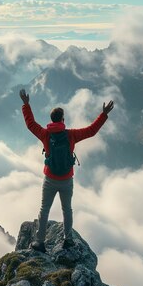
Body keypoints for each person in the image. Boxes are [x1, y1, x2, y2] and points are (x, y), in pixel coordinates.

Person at [20, 88, 114, 252]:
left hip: (49, 179)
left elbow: (30, 124)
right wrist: (104, 114)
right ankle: (68, 240)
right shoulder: (71, 135)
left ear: (51, 120)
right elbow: (92, 130)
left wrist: (26, 105)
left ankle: (40, 242)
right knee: (67, 209)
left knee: (44, 209)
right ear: (62, 120)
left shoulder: (45, 134)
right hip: (66, 179)